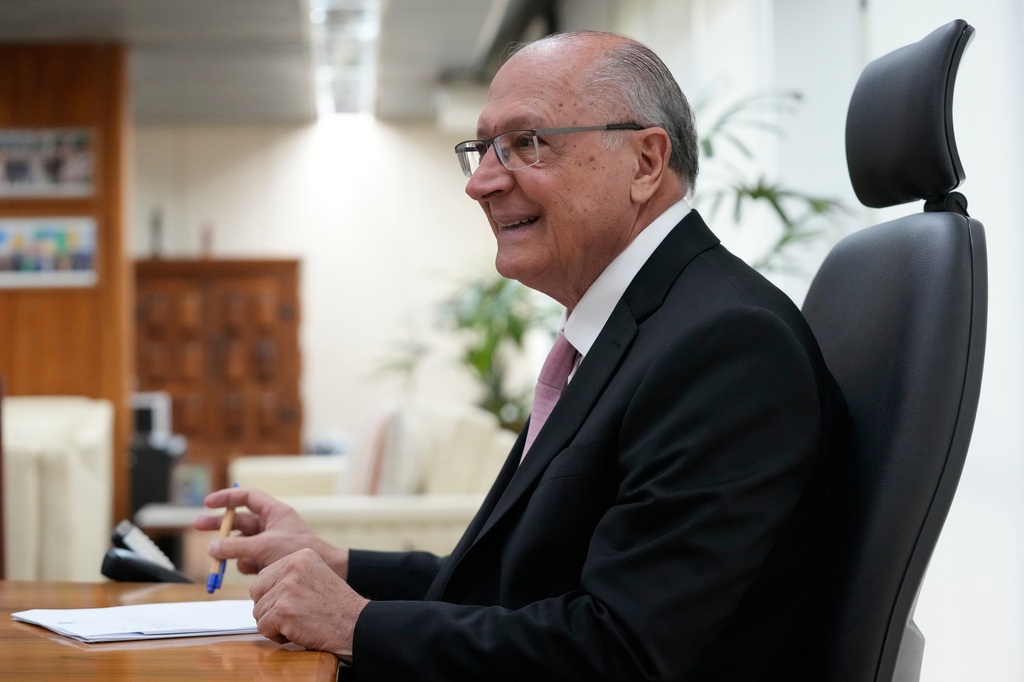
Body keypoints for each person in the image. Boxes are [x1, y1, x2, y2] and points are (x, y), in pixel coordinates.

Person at [195, 30, 849, 680]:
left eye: (526, 143)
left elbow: (621, 651)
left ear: (646, 162)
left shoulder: (725, 346)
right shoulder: (639, 328)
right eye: (482, 149)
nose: (481, 182)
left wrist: (354, 624)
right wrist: (340, 567)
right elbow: (519, 587)